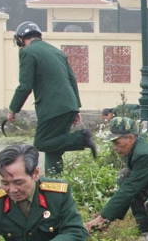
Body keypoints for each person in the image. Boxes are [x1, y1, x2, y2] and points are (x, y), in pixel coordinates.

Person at [7, 21, 97, 175]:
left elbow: (25, 86)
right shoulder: (57, 52)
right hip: (69, 104)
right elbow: (71, 80)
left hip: (51, 108)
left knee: (42, 143)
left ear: (21, 39)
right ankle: (54, 182)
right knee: (54, 149)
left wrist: (13, 109)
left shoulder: (27, 52)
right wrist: (76, 108)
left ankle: (81, 138)